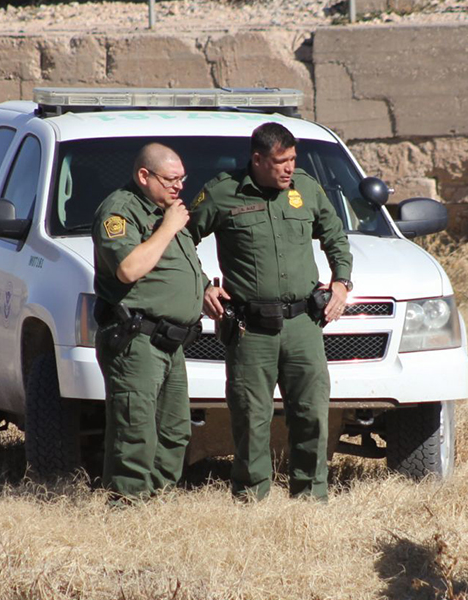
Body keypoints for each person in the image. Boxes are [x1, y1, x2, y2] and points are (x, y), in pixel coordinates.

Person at [190, 123, 353, 501]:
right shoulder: (222, 193)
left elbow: (335, 236)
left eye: (293, 159)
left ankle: (311, 497)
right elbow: (182, 239)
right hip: (251, 329)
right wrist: (202, 286)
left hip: (303, 325)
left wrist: (342, 281)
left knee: (312, 413)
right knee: (251, 417)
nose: (288, 168)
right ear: (258, 159)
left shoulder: (307, 189)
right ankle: (251, 498)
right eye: (281, 161)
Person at [92, 142, 215, 501]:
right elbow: (129, 268)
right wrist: (168, 227)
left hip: (170, 341)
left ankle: (156, 502)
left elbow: (176, 266)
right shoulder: (120, 211)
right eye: (170, 179)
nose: (179, 186)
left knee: (175, 431)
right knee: (135, 430)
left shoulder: (168, 209)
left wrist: (205, 290)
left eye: (182, 179)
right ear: (144, 176)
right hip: (137, 339)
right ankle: (128, 506)